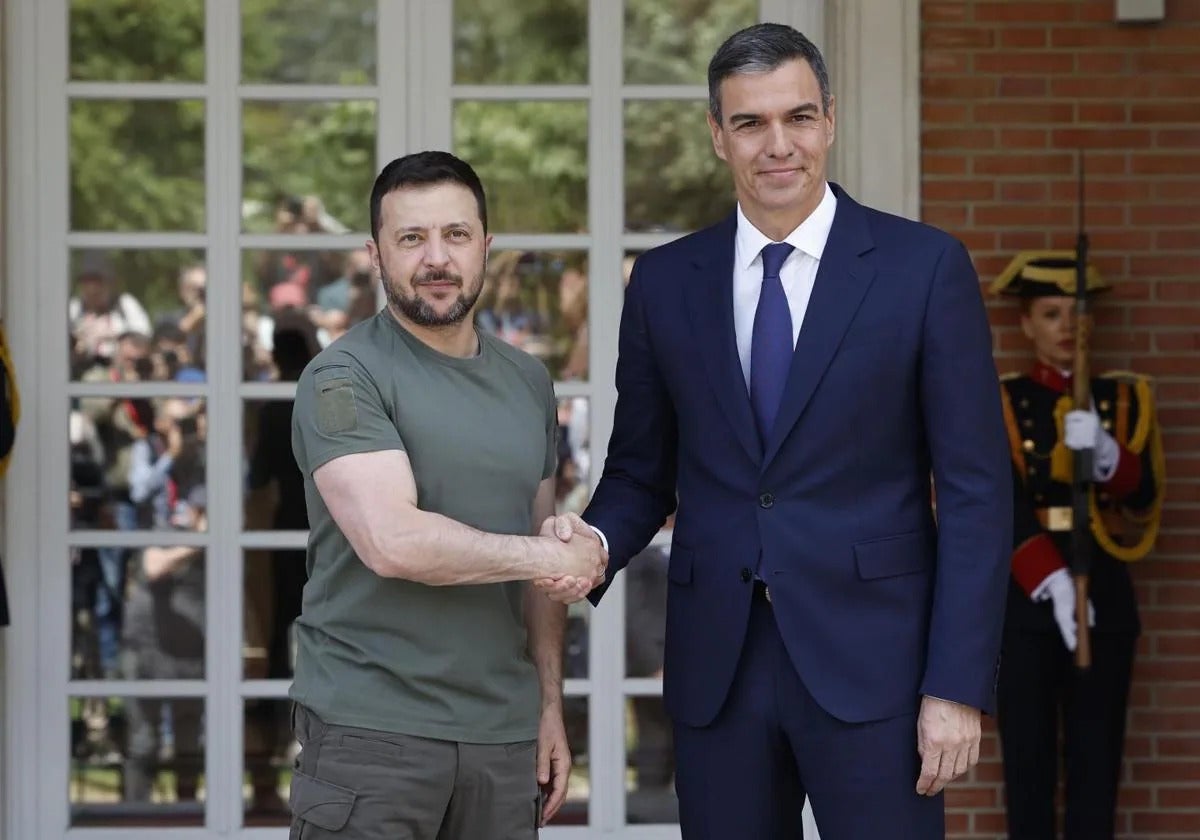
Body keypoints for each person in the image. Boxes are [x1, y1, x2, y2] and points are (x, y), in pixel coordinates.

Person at [550, 23, 1013, 837]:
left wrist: (956, 685)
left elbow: (976, 492)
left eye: (797, 118)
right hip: (718, 671)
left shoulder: (923, 269)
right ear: (717, 135)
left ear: (829, 120)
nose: (778, 146)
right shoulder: (664, 283)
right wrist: (592, 545)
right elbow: (638, 473)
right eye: (750, 123)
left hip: (880, 672)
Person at [286, 151, 607, 839]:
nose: (437, 258)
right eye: (412, 239)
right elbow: (393, 542)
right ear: (376, 254)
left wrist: (548, 704)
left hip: (502, 737)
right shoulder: (343, 377)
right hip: (372, 738)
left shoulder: (527, 381)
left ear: (485, 246)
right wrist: (553, 556)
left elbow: (539, 559)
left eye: (456, 235)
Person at [988, 252, 1164, 839]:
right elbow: (996, 504)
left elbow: (1144, 500)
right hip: (1028, 601)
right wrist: (1052, 579)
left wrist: (1109, 454)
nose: (1068, 327)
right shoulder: (1004, 402)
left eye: (1077, 314)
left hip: (1105, 598)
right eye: (1051, 313)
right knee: (1028, 768)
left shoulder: (1124, 399)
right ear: (1026, 325)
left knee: (1096, 766)